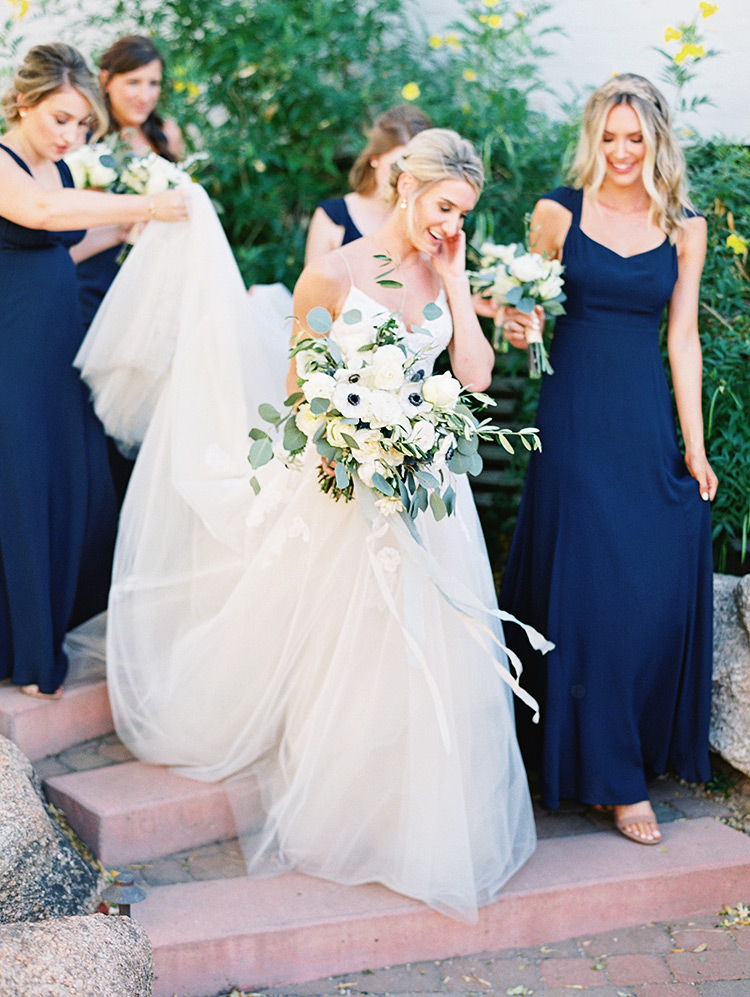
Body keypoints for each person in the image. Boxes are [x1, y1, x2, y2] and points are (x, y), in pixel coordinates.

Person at [97, 128, 543, 920]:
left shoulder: (445, 276)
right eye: (443, 208)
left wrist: (458, 273)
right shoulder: (332, 274)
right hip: (346, 492)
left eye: (463, 214)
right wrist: (353, 444)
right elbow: (300, 394)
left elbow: (473, 376)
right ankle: (352, 815)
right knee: (354, 652)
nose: (450, 223)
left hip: (431, 495)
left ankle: (423, 821)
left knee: (435, 654)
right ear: (405, 187)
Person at [499, 74, 717, 845]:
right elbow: (524, 310)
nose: (622, 153)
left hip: (643, 417)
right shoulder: (558, 211)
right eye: (611, 137)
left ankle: (612, 758)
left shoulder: (683, 227)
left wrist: (692, 444)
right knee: (589, 589)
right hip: (575, 417)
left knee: (644, 587)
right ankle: (614, 781)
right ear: (595, 136)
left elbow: (681, 340)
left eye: (636, 139)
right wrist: (519, 327)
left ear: (657, 140)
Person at [0, 42, 187, 699]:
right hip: (13, 350)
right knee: (24, 487)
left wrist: (136, 233)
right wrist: (141, 206)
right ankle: (23, 652)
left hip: (60, 347)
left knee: (76, 485)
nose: (71, 135)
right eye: (60, 119)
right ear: (23, 102)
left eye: (82, 125)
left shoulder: (56, 168)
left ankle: (48, 628)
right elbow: (42, 217)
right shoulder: (3, 163)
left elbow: (67, 244)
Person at [73, 34, 184, 330]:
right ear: (106, 80)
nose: (145, 96)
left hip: (157, 278)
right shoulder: (82, 140)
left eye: (154, 83)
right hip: (96, 277)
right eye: (133, 82)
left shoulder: (167, 135)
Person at [304, 103, 431, 262]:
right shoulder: (331, 217)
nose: (404, 178)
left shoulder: (426, 223)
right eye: (396, 166)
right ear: (374, 158)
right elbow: (311, 286)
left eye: (414, 169)